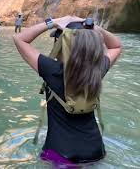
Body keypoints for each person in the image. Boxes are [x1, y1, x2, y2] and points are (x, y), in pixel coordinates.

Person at [13, 16, 122, 167]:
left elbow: (19, 39)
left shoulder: (51, 70)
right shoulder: (98, 69)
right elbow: (116, 46)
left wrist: (54, 22)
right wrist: (91, 28)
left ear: (64, 44)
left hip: (59, 154)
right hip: (95, 151)